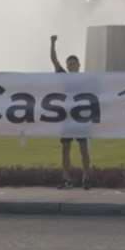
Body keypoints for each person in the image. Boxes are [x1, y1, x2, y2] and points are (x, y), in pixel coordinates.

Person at [50, 34, 91, 190]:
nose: (71, 66)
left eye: (74, 64)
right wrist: (52, 43)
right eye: (69, 65)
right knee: (65, 149)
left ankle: (86, 178)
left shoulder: (86, 78)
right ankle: (67, 179)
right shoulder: (63, 76)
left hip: (81, 117)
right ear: (67, 67)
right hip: (67, 117)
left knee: (83, 149)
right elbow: (54, 60)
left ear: (79, 65)